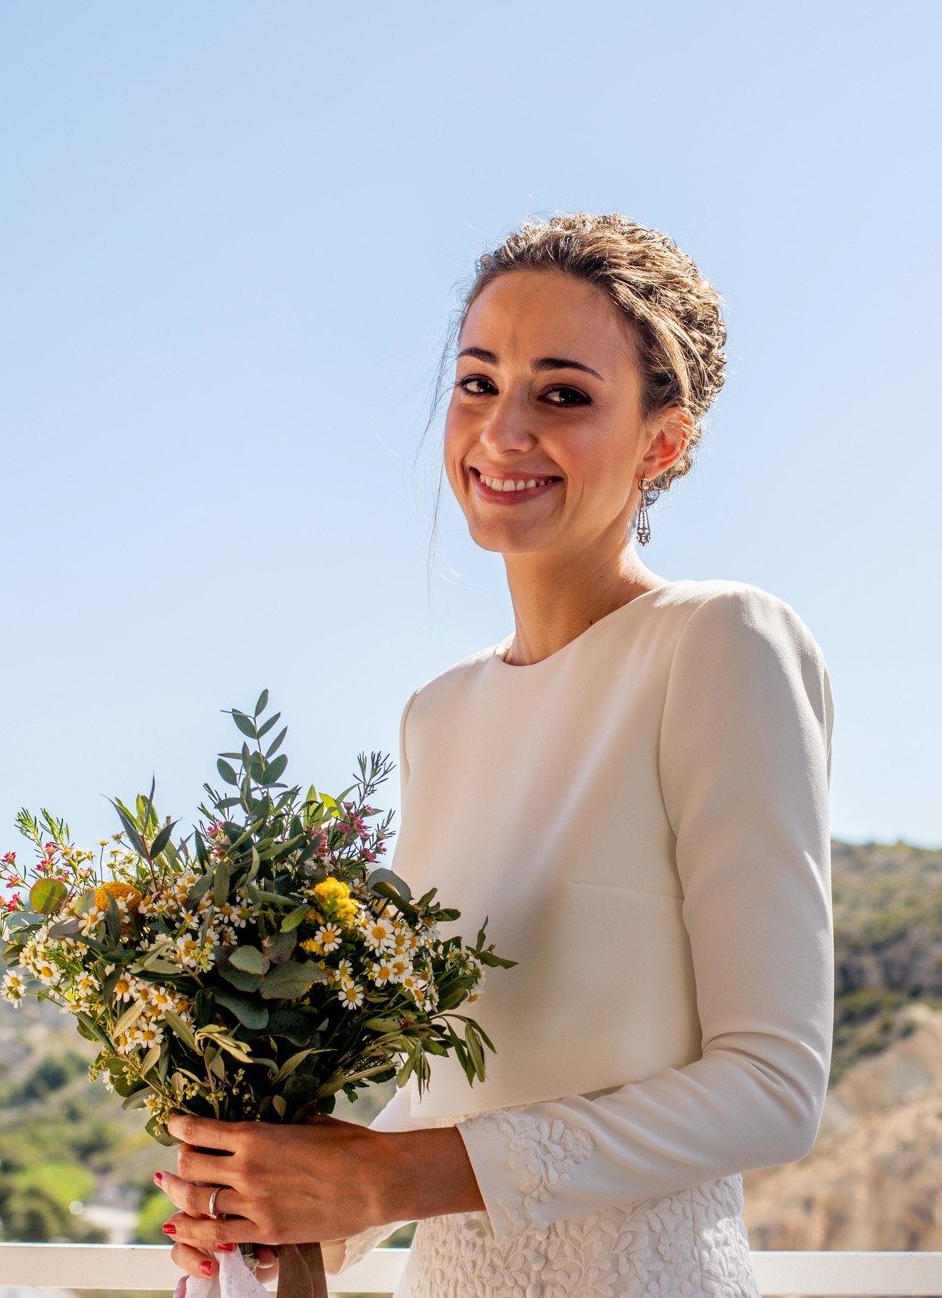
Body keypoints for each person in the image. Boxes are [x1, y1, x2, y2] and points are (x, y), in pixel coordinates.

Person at [150, 211, 836, 1297]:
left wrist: (387, 1179)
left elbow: (769, 1087)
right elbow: (446, 1088)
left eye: (562, 393)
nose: (503, 429)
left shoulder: (719, 642)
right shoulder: (438, 714)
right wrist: (283, 1212)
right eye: (477, 383)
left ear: (664, 442)